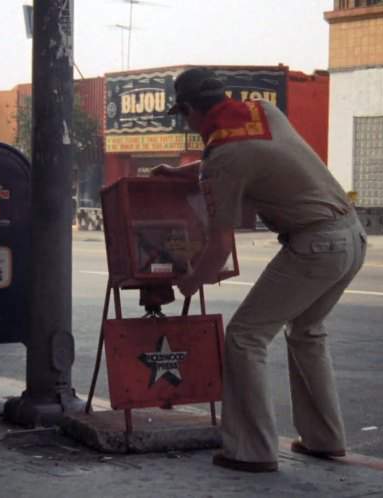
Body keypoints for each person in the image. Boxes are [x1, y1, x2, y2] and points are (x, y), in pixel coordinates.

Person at [154, 67, 367, 473]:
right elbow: (253, 159)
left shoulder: (223, 158)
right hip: (352, 237)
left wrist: (188, 282)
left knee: (244, 337)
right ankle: (325, 439)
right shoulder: (263, 112)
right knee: (306, 332)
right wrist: (184, 173)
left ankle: (250, 450)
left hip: (315, 245)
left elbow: (218, 245)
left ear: (188, 110)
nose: (186, 124)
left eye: (182, 116)